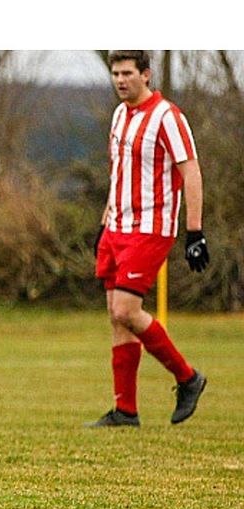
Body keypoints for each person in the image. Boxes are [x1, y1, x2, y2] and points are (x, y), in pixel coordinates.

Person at [87, 50, 208, 428]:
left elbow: (191, 172)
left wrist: (195, 232)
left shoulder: (168, 117)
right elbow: (118, 171)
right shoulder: (120, 114)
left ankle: (188, 378)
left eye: (128, 73)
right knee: (116, 318)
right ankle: (126, 411)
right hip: (116, 227)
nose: (121, 80)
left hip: (150, 228)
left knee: (127, 310)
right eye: (116, 73)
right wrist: (106, 218)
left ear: (146, 74)